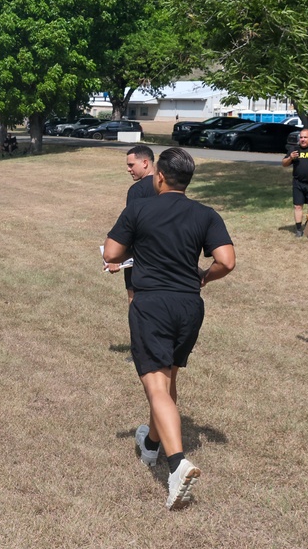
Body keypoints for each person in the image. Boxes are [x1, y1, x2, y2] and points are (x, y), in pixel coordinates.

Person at [103, 147, 236, 510]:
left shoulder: (139, 208)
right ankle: (150, 446)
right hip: (190, 307)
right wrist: (204, 276)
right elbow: (227, 261)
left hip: (152, 305)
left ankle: (177, 464)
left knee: (156, 383)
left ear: (159, 176)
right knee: (168, 377)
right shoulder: (206, 214)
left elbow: (111, 254)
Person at [105, 145, 158, 303]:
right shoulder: (169, 187)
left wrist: (117, 257)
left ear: (145, 162)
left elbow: (133, 228)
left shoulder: (137, 190)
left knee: (137, 308)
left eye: (131, 165)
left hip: (140, 259)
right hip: (166, 258)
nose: (128, 169)